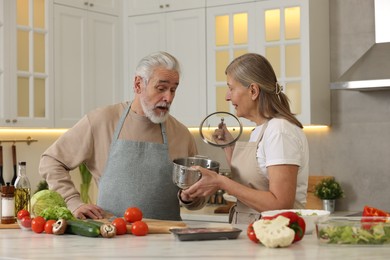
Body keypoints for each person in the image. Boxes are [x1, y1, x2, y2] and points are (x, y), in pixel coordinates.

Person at [39, 51, 205, 220]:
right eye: (161, 88)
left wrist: (191, 198)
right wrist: (73, 201)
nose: (168, 97)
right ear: (138, 84)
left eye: (173, 90)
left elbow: (196, 199)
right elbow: (51, 161)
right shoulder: (101, 121)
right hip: (111, 237)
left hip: (166, 240)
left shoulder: (182, 135)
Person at [181, 53, 309, 224]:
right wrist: (228, 146)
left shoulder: (280, 131)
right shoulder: (261, 130)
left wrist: (222, 182)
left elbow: (281, 204)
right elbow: (253, 182)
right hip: (257, 234)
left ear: (253, 91)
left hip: (276, 236)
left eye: (231, 88)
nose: (227, 96)